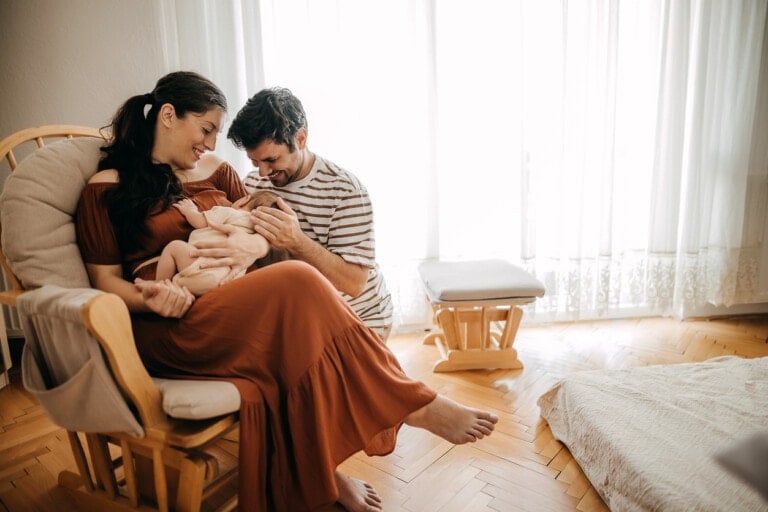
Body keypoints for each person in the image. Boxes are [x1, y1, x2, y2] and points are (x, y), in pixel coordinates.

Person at [75, 71, 498, 512]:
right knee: (296, 281)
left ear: (300, 138)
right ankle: (411, 404)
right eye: (206, 130)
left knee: (292, 309)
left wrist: (255, 246)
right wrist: (152, 297)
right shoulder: (106, 187)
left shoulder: (222, 175)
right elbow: (105, 283)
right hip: (173, 320)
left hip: (245, 303)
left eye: (216, 134)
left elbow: (259, 238)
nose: (211, 146)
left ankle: (327, 472)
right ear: (168, 116)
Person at [226, 88, 393, 341]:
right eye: (254, 161)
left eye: (271, 160)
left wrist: (296, 241)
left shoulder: (344, 190)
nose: (261, 173)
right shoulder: (252, 185)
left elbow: (354, 283)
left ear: (301, 139)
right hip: (301, 317)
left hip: (358, 319)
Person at [155, 190, 285, 295]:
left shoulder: (230, 212)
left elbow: (199, 222)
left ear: (245, 199)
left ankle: (160, 285)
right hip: (228, 281)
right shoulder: (258, 232)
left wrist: (190, 210)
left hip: (202, 266)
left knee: (174, 247)